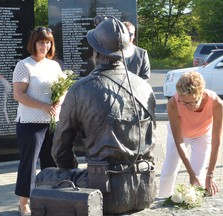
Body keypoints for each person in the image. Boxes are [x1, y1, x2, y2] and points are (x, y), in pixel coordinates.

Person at [35, 17, 157, 214]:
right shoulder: (145, 87)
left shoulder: (81, 89)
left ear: (95, 51)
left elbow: (60, 151)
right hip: (145, 189)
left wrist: (72, 173)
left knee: (45, 176)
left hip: (104, 194)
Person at [12, 26, 66, 216]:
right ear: (33, 43)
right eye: (41, 42)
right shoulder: (24, 65)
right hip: (30, 124)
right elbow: (18, 94)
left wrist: (59, 100)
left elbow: (63, 88)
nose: (45, 46)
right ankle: (24, 202)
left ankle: (47, 199)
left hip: (52, 122)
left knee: (50, 163)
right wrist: (42, 106)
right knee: (29, 163)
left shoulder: (54, 65)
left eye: (48, 42)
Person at [159, 71, 223, 198]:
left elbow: (216, 141)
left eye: (193, 102)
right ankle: (162, 201)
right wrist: (189, 172)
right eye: (184, 102)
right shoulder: (173, 103)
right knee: (169, 171)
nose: (188, 106)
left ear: (202, 93)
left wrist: (210, 174)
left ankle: (193, 204)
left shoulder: (216, 103)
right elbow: (179, 141)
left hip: (202, 135)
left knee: (198, 175)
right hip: (179, 136)